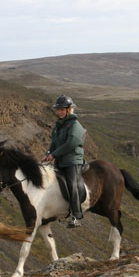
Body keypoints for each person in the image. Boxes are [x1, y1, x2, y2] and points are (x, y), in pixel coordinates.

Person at [42, 95, 87, 228]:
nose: (60, 112)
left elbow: (70, 144)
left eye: (62, 109)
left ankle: (77, 216)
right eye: (58, 110)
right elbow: (54, 142)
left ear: (69, 110)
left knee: (71, 184)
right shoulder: (59, 125)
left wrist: (54, 154)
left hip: (72, 160)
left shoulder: (75, 125)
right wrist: (48, 153)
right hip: (60, 160)